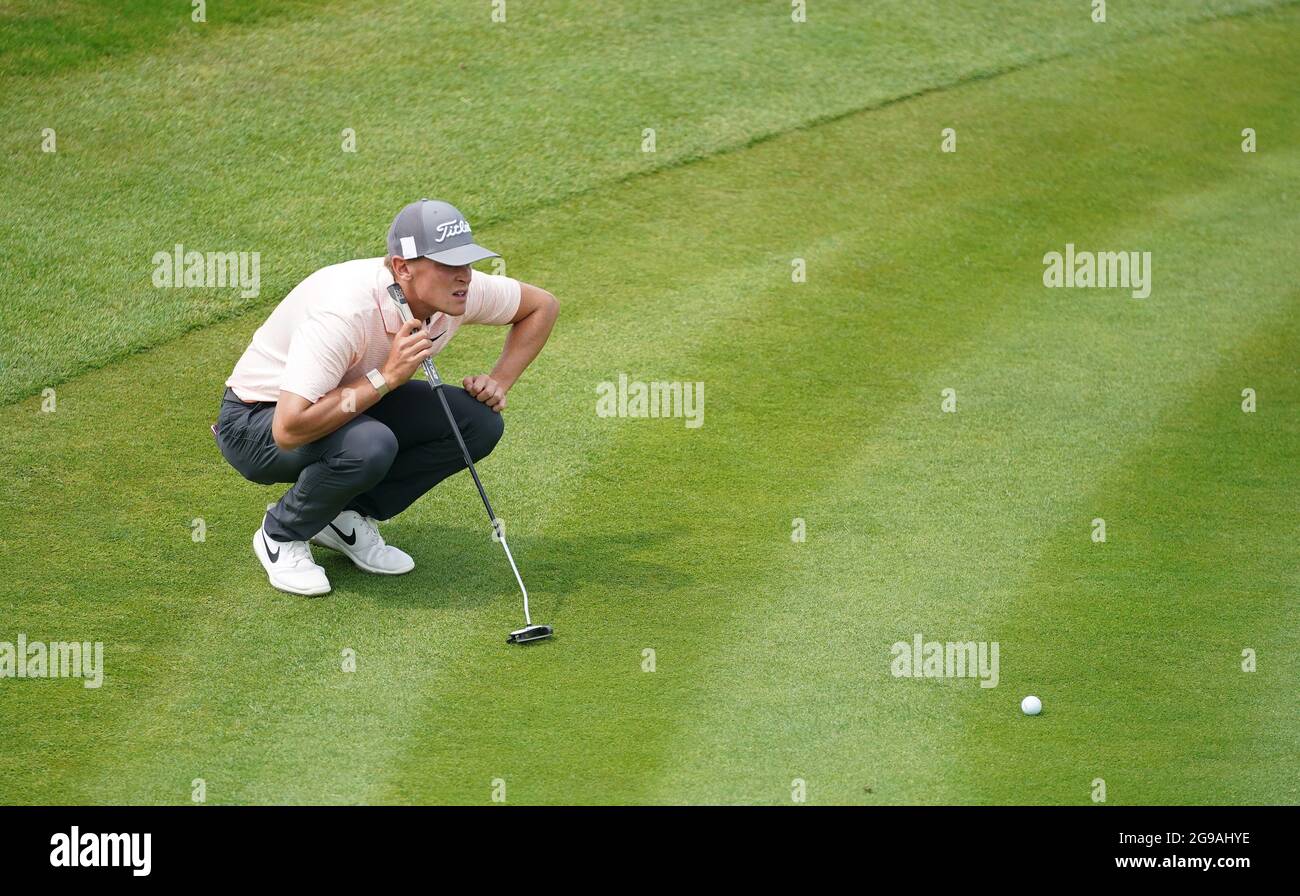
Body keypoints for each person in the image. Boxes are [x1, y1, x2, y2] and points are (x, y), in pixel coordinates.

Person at [214, 199, 558, 595]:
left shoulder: (457, 293)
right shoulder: (345, 312)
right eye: (447, 266)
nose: (463, 277)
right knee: (370, 445)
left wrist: (500, 380)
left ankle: (343, 517)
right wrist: (387, 377)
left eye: (466, 262)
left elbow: (542, 306)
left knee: (476, 423)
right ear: (402, 267)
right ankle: (282, 533)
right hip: (256, 423)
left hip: (352, 402)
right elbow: (289, 429)